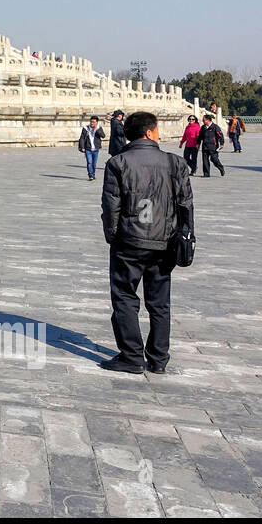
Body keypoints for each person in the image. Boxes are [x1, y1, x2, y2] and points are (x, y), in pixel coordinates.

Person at [99, 111, 194, 374]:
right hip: (164, 243)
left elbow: (111, 206)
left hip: (129, 242)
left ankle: (131, 356)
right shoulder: (175, 163)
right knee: (160, 303)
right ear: (150, 132)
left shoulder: (118, 163)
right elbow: (186, 205)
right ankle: (159, 358)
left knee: (124, 298)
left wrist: (112, 236)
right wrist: (187, 237)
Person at [77, 116, 105, 180]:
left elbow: (103, 136)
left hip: (96, 149)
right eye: (91, 122)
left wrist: (97, 130)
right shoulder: (86, 128)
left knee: (94, 163)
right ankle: (90, 175)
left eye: (94, 122)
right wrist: (82, 147)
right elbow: (82, 138)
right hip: (88, 148)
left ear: (97, 122)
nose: (92, 123)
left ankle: (93, 174)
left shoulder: (99, 128)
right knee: (89, 162)